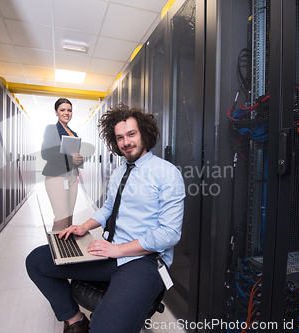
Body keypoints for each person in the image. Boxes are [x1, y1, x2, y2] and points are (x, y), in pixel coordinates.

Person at [26, 103, 185, 333]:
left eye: (131, 134)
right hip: (111, 250)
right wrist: (84, 226)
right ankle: (75, 321)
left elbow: (169, 234)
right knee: (37, 261)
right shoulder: (120, 171)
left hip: (145, 261)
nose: (126, 142)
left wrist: (119, 250)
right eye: (120, 137)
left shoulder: (167, 173)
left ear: (144, 134)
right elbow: (109, 207)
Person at [41, 98, 83, 231]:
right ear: (56, 112)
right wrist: (70, 159)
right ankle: (56, 250)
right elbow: (46, 153)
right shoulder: (52, 129)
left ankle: (67, 248)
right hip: (57, 177)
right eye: (62, 110)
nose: (66, 113)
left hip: (71, 177)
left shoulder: (74, 133)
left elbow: (73, 156)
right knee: (62, 217)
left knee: (69, 218)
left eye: (69, 110)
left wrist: (79, 160)